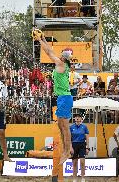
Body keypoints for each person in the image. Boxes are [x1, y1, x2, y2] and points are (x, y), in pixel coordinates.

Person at [34, 29, 73, 164]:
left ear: (64, 57)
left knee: (65, 126)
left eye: (62, 55)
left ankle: (67, 151)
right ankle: (66, 150)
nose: (60, 56)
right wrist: (43, 39)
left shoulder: (61, 64)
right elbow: (50, 51)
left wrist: (39, 40)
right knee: (61, 125)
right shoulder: (61, 63)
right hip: (62, 98)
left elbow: (48, 52)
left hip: (65, 97)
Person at [70, 114, 89, 182]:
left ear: (81, 119)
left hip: (82, 145)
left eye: (79, 117)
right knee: (74, 163)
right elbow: (69, 139)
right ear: (74, 119)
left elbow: (87, 137)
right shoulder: (71, 127)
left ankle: (83, 177)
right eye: (76, 117)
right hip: (74, 145)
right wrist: (70, 147)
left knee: (82, 162)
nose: (77, 118)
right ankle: (74, 178)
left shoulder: (84, 127)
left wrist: (87, 147)